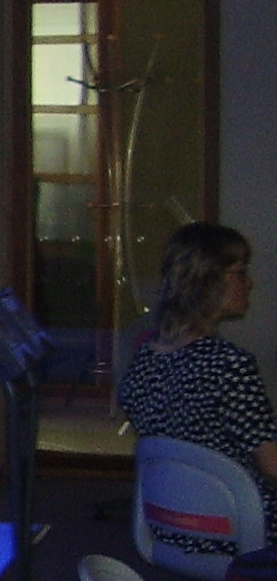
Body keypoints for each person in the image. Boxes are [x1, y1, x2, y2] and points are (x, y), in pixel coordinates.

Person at [117, 222, 277, 551]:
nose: (249, 282)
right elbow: (273, 467)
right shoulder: (229, 365)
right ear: (208, 281)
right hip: (238, 530)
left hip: (169, 525)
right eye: (240, 272)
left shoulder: (145, 360)